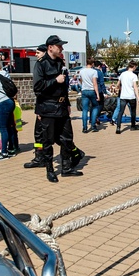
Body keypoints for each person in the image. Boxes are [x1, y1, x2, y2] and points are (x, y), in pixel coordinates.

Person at [32, 35, 85, 182]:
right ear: (50, 47)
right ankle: (50, 170)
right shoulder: (41, 64)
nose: (61, 48)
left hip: (61, 107)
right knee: (48, 140)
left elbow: (64, 87)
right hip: (48, 107)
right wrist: (55, 80)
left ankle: (66, 168)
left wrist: (67, 103)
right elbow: (37, 87)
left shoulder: (60, 63)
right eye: (59, 46)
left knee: (67, 138)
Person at [24, 44, 48, 169]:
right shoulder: (54, 64)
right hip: (51, 106)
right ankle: (72, 153)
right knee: (58, 134)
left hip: (45, 107)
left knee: (39, 134)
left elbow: (39, 89)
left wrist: (39, 109)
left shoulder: (42, 65)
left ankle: (40, 157)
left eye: (38, 52)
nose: (36, 55)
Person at [116, 61, 139, 134]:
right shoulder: (134, 76)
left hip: (123, 96)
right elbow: (135, 87)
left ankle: (118, 127)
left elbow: (118, 84)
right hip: (131, 96)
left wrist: (121, 89)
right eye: (136, 67)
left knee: (120, 112)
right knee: (133, 111)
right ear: (134, 67)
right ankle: (133, 126)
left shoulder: (122, 74)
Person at [79, 59, 101, 133]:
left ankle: (84, 127)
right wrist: (97, 94)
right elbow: (95, 83)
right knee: (95, 107)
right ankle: (93, 125)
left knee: (85, 109)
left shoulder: (82, 71)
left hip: (84, 90)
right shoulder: (94, 71)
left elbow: (81, 80)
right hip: (91, 90)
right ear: (92, 64)